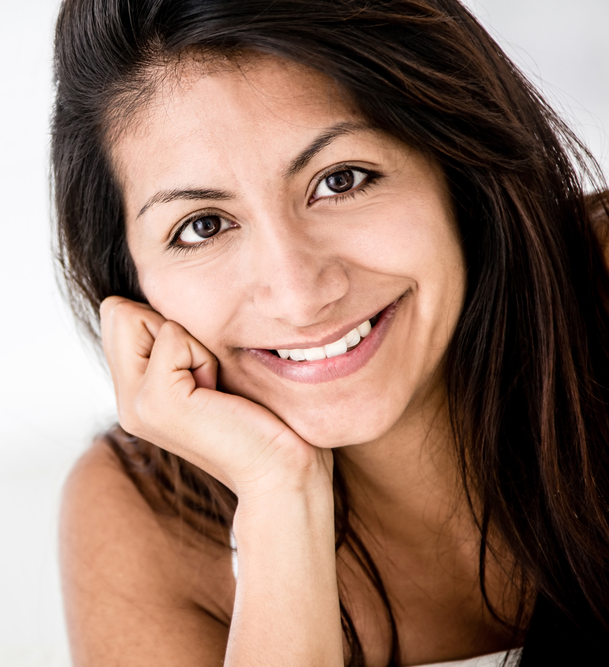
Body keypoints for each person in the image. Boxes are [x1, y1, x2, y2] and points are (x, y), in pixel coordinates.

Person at [51, 0, 609, 664]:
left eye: (340, 181)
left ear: (456, 169)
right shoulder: (143, 517)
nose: (298, 293)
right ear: (136, 284)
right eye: (202, 225)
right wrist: (279, 498)